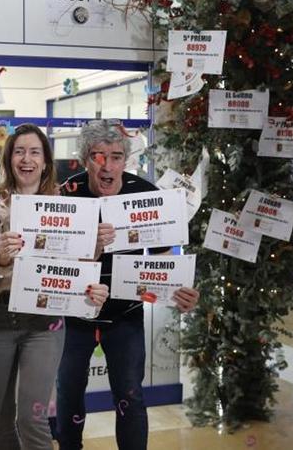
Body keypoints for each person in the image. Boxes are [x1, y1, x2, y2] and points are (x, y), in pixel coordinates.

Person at [55, 119, 199, 450]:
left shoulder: (146, 192)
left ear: (126, 160)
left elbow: (165, 258)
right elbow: (53, 262)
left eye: (116, 156)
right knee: (69, 395)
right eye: (98, 156)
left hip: (126, 315)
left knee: (130, 396)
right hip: (75, 318)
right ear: (85, 159)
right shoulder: (67, 193)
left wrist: (182, 290)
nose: (108, 165)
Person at [0, 123, 109, 450]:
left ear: (46, 161)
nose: (26, 159)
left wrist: (96, 248)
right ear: (8, 159)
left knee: (32, 419)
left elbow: (79, 266)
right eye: (19, 151)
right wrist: (3, 258)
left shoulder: (68, 206)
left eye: (35, 151)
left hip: (44, 323)